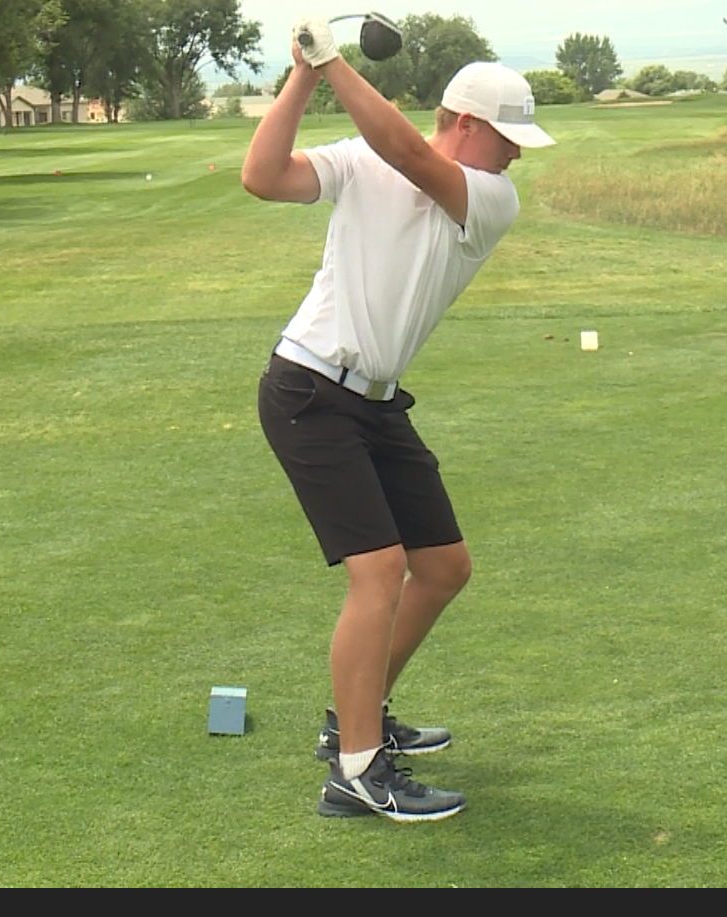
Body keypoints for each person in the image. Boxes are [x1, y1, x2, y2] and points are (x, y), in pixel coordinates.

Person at [242, 15, 554, 822]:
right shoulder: (359, 160)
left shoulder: (491, 197)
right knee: (378, 571)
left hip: (376, 402)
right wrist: (305, 76)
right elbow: (263, 176)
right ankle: (355, 768)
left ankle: (356, 717)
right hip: (309, 388)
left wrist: (336, 61)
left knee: (443, 566)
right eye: (509, 135)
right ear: (463, 121)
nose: (519, 152)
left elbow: (411, 157)